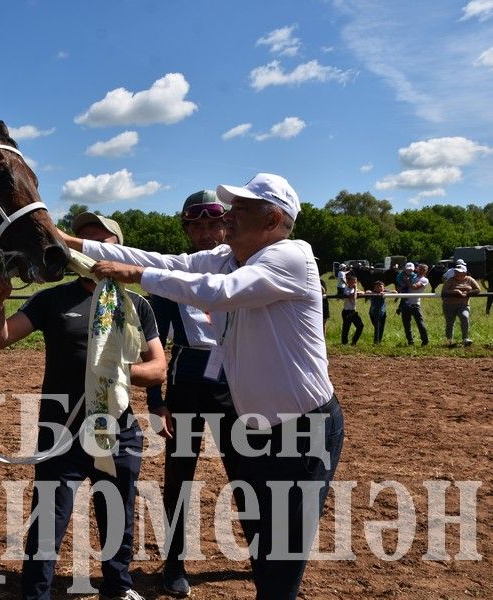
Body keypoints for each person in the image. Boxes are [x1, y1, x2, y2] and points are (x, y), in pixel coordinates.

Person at [62, 172, 345, 600]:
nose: (228, 217)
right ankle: (180, 563)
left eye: (241, 209)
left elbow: (218, 292)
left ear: (272, 220)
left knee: (279, 559)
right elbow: (164, 261)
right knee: (264, 545)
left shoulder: (292, 256)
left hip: (302, 433)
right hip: (257, 426)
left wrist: (134, 274)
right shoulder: (231, 257)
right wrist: (72, 242)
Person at [0, 212, 166, 600]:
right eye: (83, 243)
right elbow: (0, 339)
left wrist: (115, 370)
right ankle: (36, 593)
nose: (93, 252)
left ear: (119, 249)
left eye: (103, 242)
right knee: (49, 518)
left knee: (117, 513)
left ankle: (118, 587)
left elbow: (157, 369)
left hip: (118, 429)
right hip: (61, 430)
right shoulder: (51, 300)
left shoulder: (137, 306)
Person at [145, 190, 240, 596]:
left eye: (212, 224)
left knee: (247, 474)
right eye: (196, 226)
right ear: (187, 230)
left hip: (236, 381)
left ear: (226, 225)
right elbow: (151, 343)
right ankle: (174, 561)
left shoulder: (246, 269)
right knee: (180, 474)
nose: (205, 233)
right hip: (187, 380)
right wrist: (155, 402)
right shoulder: (172, 280)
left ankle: (263, 555)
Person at [440, 264, 481, 347]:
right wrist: (455, 292)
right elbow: (444, 291)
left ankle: (465, 339)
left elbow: (478, 289)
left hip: (463, 305)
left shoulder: (469, 279)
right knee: (450, 323)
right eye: (456, 271)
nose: (457, 273)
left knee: (465, 317)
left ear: (465, 273)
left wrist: (468, 293)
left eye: (459, 272)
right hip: (449, 305)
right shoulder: (450, 280)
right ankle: (449, 341)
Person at [398, 262, 429, 346]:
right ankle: (410, 342)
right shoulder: (412, 276)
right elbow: (401, 287)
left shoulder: (424, 280)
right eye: (420, 269)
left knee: (420, 324)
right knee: (406, 325)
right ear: (417, 269)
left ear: (426, 271)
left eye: (424, 269)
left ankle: (425, 341)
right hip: (405, 303)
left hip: (415, 304)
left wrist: (407, 281)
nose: (421, 271)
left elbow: (415, 287)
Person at [340, 273, 364, 345]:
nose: (355, 283)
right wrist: (356, 289)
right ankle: (344, 343)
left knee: (360, 326)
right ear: (348, 282)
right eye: (353, 282)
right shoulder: (346, 290)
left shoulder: (354, 289)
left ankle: (354, 342)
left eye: (355, 282)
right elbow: (353, 297)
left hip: (353, 311)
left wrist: (358, 291)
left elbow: (362, 292)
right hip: (347, 311)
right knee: (346, 328)